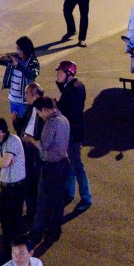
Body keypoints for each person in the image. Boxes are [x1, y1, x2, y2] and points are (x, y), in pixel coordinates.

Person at [31, 96, 71, 244]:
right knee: (58, 200)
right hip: (63, 163)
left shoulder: (51, 123)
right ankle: (54, 230)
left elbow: (43, 145)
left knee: (42, 201)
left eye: (39, 112)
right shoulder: (64, 119)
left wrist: (31, 140)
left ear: (46, 110)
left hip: (52, 166)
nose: (39, 115)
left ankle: (36, 234)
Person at [0, 117, 27, 257]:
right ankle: (7, 244)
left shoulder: (12, 141)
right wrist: (2, 160)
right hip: (5, 186)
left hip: (16, 187)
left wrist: (1, 161)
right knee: (4, 217)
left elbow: (3, 163)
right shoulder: (1, 142)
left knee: (14, 219)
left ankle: (15, 249)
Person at [55, 60, 91, 212]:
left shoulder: (74, 88)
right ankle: (69, 193)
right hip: (72, 131)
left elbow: (71, 112)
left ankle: (86, 198)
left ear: (68, 73)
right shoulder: (72, 86)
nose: (57, 74)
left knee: (76, 165)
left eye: (60, 72)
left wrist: (57, 108)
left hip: (73, 132)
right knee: (69, 164)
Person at [18, 82, 45, 230]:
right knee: (28, 183)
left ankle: (37, 216)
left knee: (36, 185)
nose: (25, 96)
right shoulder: (29, 108)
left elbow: (45, 138)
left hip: (37, 152)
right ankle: (31, 213)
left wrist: (31, 140)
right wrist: (16, 122)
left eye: (27, 93)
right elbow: (24, 126)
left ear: (35, 95)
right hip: (28, 150)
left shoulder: (43, 111)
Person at [2, 36, 40, 122]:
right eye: (17, 48)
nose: (17, 51)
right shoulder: (14, 59)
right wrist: (2, 59)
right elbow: (4, 63)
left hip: (24, 101)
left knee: (25, 124)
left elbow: (32, 74)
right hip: (13, 99)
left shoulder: (33, 62)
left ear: (26, 49)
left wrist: (18, 66)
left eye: (20, 49)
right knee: (15, 122)